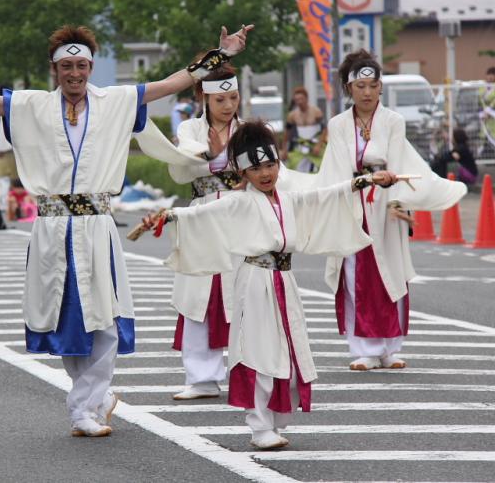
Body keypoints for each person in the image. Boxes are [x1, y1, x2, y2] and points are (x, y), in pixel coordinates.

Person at [0, 22, 252, 437]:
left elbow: (173, 83)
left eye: (82, 65)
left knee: (106, 320)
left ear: (91, 66)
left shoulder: (116, 100)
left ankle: (84, 406)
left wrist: (221, 56)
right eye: (67, 67)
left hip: (97, 227)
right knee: (66, 320)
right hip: (51, 229)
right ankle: (92, 399)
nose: (75, 74)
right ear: (54, 69)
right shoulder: (31, 106)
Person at [143, 120, 400, 449]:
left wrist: (365, 180)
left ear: (279, 164)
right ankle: (259, 425)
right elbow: (202, 215)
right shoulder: (240, 202)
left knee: (287, 354)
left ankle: (273, 420)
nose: (265, 174)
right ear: (243, 172)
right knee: (257, 351)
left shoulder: (288, 199)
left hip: (284, 281)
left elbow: (323, 196)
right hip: (254, 282)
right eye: (256, 169)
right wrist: (167, 215)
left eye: (270, 165)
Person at [316, 49, 467, 371]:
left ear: (381, 87)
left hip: (386, 206)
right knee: (357, 274)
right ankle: (364, 347)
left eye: (373, 86)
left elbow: (400, 162)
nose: (367, 93)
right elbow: (336, 168)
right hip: (353, 203)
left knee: (390, 273)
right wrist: (350, 189)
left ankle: (390, 347)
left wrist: (401, 202)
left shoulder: (393, 121)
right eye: (360, 87)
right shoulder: (339, 124)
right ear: (349, 88)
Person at [165, 65, 244, 401]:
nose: (228, 105)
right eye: (220, 99)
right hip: (202, 216)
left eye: (233, 97)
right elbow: (183, 165)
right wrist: (211, 156)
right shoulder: (190, 128)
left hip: (240, 216)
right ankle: (200, 376)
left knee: (245, 293)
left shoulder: (248, 130)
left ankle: (248, 372)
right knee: (198, 294)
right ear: (203, 97)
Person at [281, 87, 325, 173]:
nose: (299, 101)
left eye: (301, 99)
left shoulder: (316, 111)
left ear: (306, 98)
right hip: (300, 145)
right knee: (294, 165)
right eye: (297, 99)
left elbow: (325, 129)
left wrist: (319, 145)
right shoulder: (292, 115)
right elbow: (287, 133)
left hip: (316, 144)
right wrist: (284, 149)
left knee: (321, 167)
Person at [479, 66, 495, 149]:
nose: (490, 76)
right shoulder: (482, 87)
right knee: (484, 136)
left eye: (492, 74)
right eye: (488, 74)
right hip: (484, 116)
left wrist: (489, 110)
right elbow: (479, 100)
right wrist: (483, 112)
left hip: (492, 115)